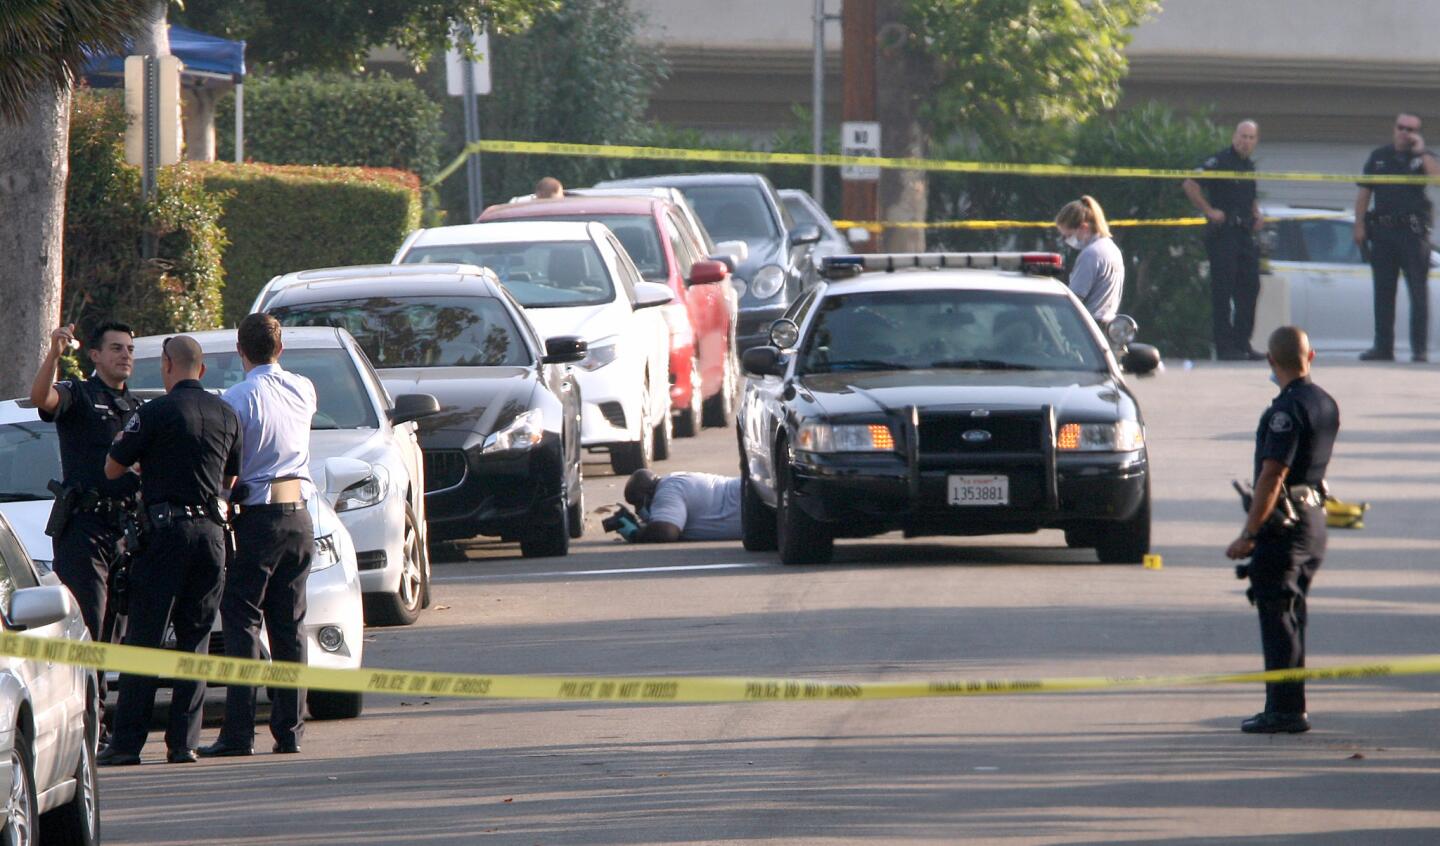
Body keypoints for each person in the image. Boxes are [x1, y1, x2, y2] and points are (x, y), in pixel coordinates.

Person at [98, 336, 242, 766]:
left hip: (165, 534)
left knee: (144, 637)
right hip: (212, 535)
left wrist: (150, 466)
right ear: (201, 370)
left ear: (166, 365)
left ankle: (127, 745)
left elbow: (112, 467)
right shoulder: (226, 412)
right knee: (194, 639)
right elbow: (230, 480)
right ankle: (184, 743)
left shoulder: (154, 412)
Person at [200, 314, 317, 759]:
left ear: (240, 350)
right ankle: (289, 731)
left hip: (259, 516)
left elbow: (229, 461)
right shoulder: (303, 388)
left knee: (242, 620)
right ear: (280, 348)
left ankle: (238, 733)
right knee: (289, 626)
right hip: (300, 515)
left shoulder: (236, 398)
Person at [1226, 326, 1339, 734]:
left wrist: (1249, 533)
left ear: (1271, 361)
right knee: (1292, 614)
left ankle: (1286, 710)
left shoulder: (1285, 412)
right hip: (1313, 521)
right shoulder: (1325, 402)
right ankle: (1287, 704)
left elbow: (1272, 476)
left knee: (1278, 615)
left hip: (1286, 526)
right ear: (1312, 356)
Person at [28, 322, 140, 642]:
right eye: (116, 348)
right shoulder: (78, 394)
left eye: (130, 349)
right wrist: (54, 354)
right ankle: (92, 693)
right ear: (95, 355)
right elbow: (41, 397)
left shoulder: (137, 408)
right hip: (85, 529)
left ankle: (103, 691)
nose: (125, 356)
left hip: (126, 528)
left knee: (116, 630)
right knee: (90, 623)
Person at [1354, 111, 1440, 362]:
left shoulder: (1424, 158)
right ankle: (1383, 347)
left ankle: (1419, 350)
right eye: (1401, 127)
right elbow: (1364, 193)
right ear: (1394, 128)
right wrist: (1358, 225)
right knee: (1383, 292)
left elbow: (1437, 179)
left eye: (1411, 129)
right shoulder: (1379, 157)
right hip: (1383, 233)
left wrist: (1421, 151)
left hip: (1413, 235)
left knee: (1418, 292)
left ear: (1418, 133)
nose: (1405, 132)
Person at [1183, 120, 1265, 361]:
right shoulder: (1219, 161)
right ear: (1234, 136)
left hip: (1244, 234)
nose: (1246, 141)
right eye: (1243, 136)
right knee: (1223, 291)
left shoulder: (1248, 166)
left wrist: (1257, 213)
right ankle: (1225, 348)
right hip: (1224, 235)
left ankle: (1243, 344)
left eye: (1251, 137)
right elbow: (1190, 184)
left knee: (1250, 288)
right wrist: (1209, 211)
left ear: (1256, 141)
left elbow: (1248, 196)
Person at [1054, 196, 1124, 324]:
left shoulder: (1091, 254)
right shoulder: (1113, 250)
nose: (1066, 241)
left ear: (1084, 227)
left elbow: (1074, 300)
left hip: (1087, 330)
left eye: (1068, 235)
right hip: (1107, 328)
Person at [622, 470, 742, 542]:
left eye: (638, 503)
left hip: (747, 500)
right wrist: (642, 527)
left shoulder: (666, 490)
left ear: (648, 493)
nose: (638, 511)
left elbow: (666, 532)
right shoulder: (674, 480)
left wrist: (634, 534)